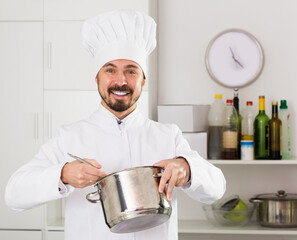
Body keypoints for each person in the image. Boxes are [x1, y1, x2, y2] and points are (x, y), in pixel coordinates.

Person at [5, 10, 226, 240]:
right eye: (110, 70)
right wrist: (62, 174)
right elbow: (14, 195)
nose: (121, 81)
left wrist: (187, 168)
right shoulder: (69, 137)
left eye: (131, 71)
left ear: (143, 80)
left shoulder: (168, 136)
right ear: (97, 78)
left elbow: (217, 188)